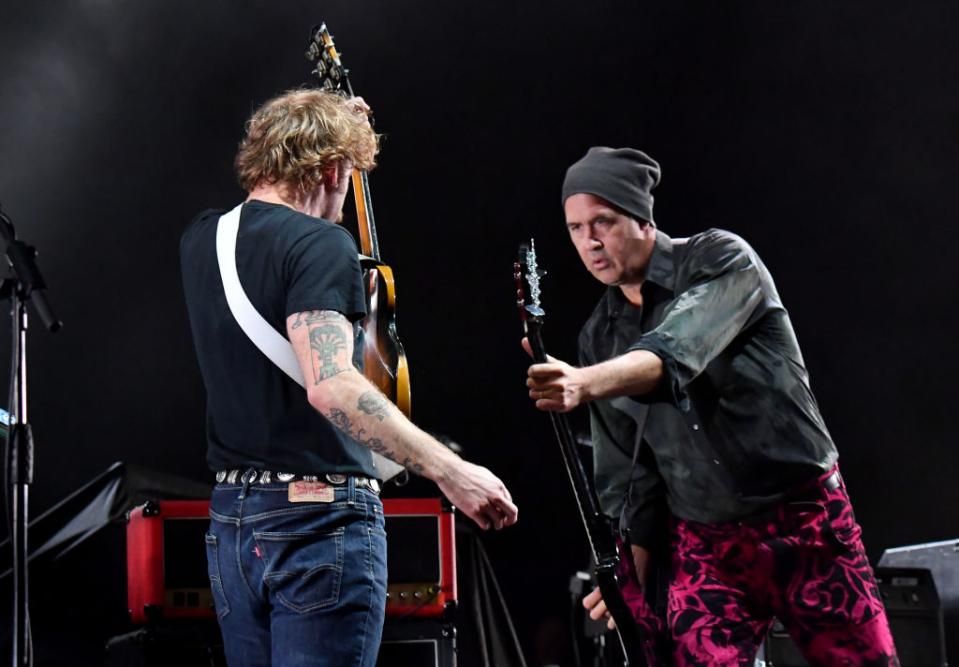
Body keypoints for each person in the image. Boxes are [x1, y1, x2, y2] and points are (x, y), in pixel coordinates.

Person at [180, 89, 518, 667]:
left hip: (233, 520)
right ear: (333, 169)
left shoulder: (201, 239)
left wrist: (333, 123)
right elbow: (331, 384)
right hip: (317, 522)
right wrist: (452, 471)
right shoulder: (321, 244)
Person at [524, 146, 897, 666]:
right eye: (575, 228)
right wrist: (625, 583)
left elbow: (674, 351)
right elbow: (629, 481)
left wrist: (584, 383)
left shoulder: (720, 259)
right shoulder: (599, 337)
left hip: (803, 518)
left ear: (642, 219)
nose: (590, 241)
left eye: (603, 221)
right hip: (708, 543)